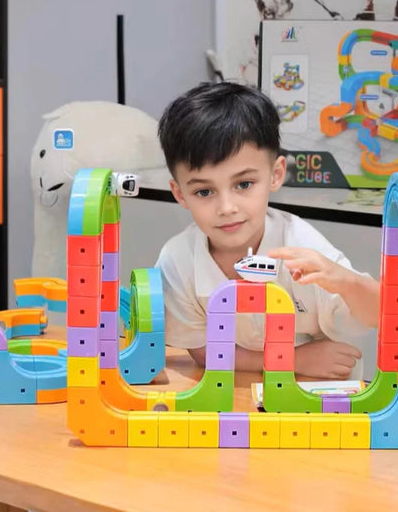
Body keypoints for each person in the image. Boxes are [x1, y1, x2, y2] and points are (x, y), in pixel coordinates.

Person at [155, 82, 379, 380]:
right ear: (180, 193)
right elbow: (201, 348)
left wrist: (346, 282)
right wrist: (290, 360)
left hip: (319, 391)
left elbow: (377, 313)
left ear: (276, 174)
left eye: (244, 184)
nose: (227, 207)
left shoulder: (301, 244)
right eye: (204, 191)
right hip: (240, 389)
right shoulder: (177, 259)